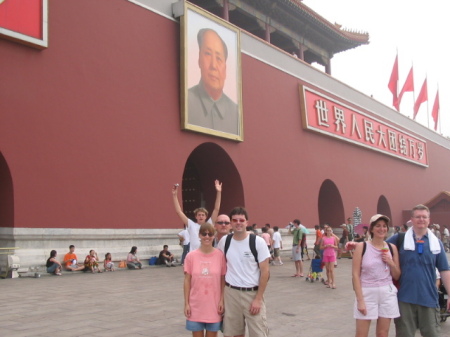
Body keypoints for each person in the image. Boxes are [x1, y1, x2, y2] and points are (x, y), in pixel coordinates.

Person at [386, 204, 450, 337]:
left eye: (424, 217)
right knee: (405, 334)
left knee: (432, 333)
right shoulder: (400, 239)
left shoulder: (436, 243)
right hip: (404, 298)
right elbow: (379, 246)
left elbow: (444, 269)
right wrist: (359, 246)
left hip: (429, 298)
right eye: (418, 217)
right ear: (412, 219)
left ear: (429, 220)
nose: (421, 219)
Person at [217, 207, 270, 337]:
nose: (238, 223)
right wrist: (221, 299)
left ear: (247, 222)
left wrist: (258, 299)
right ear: (231, 223)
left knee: (259, 333)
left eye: (242, 220)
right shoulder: (225, 241)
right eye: (235, 220)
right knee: (233, 334)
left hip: (251, 294)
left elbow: (265, 273)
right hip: (231, 294)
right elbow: (221, 271)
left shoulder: (258, 242)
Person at [352, 214, 401, 337]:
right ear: (372, 229)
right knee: (361, 334)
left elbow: (397, 275)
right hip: (367, 291)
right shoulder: (361, 247)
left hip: (387, 292)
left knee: (383, 333)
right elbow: (355, 275)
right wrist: (360, 300)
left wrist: (391, 263)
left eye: (384, 226)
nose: (382, 229)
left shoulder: (392, 248)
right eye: (378, 226)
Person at [188, 28, 239, 135]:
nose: (213, 66)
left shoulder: (236, 113)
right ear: (199, 60)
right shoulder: (187, 101)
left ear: (225, 69)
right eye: (208, 54)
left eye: (219, 59)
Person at [184, 223, 226, 337]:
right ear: (199, 235)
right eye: (204, 234)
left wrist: (222, 300)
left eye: (210, 234)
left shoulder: (220, 256)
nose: (207, 237)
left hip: (214, 305)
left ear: (214, 236)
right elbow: (187, 281)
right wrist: (186, 303)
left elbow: (222, 279)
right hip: (196, 305)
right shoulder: (191, 256)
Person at [172, 180, 222, 252]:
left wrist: (219, 192)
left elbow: (216, 209)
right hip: (194, 255)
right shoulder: (191, 224)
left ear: (206, 217)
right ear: (196, 217)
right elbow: (179, 212)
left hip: (207, 253)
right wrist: (174, 195)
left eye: (202, 215)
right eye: (199, 215)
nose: (201, 217)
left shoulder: (209, 224)